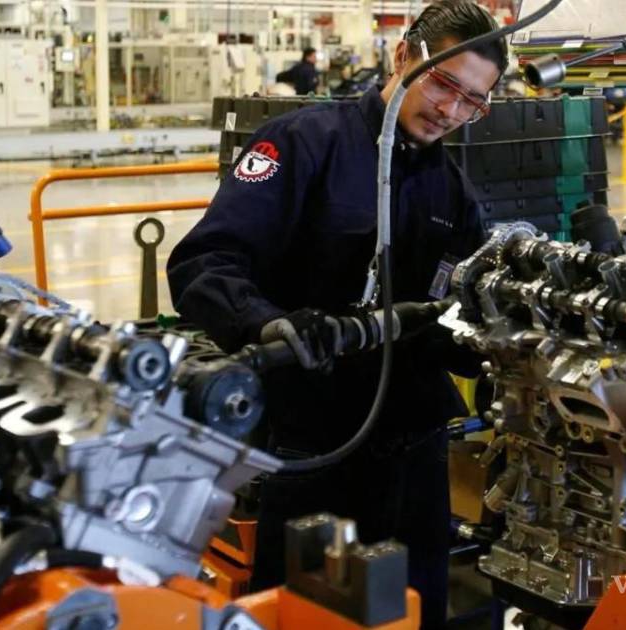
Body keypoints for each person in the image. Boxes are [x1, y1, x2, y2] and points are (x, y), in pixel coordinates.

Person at [167, 2, 506, 627]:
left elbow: (458, 314)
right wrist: (265, 323)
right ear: (403, 55)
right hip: (314, 446)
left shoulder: (453, 190)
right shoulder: (302, 144)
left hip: (416, 452)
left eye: (472, 102)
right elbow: (204, 263)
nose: (451, 111)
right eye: (444, 84)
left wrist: (500, 345)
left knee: (416, 612)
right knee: (302, 613)